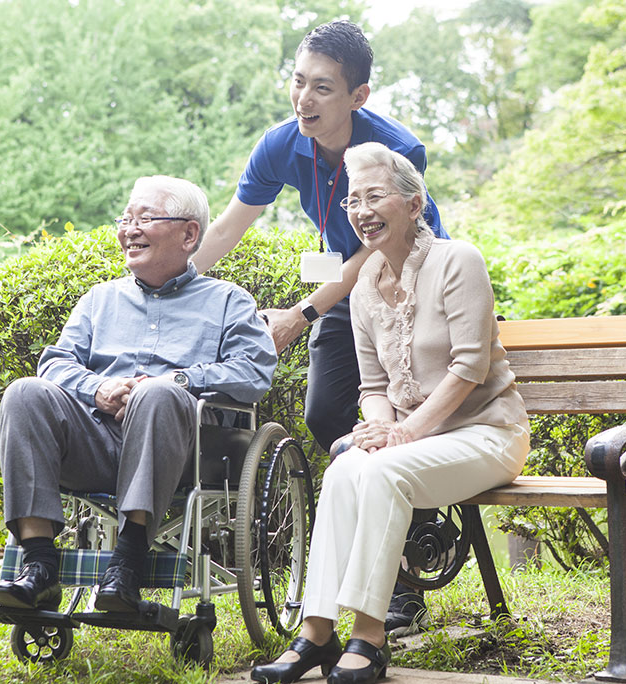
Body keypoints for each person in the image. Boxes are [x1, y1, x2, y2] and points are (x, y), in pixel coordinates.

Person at [191, 20, 449, 633]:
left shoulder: (395, 149)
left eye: (324, 89)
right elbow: (228, 228)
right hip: (349, 290)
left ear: (358, 96)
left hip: (413, 282)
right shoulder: (281, 145)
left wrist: (301, 314)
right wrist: (171, 286)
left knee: (406, 412)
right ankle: (414, 517)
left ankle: (404, 578)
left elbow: (375, 255)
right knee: (326, 416)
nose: (304, 99)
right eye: (298, 81)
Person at [250, 142, 529, 684]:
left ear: (413, 204)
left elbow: (469, 368)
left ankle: (370, 636)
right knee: (347, 465)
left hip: (486, 433)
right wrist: (380, 427)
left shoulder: (457, 260)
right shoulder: (363, 287)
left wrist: (403, 432)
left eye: (374, 196)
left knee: (379, 467)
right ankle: (316, 632)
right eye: (353, 201)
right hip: (414, 441)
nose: (361, 211)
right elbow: (373, 384)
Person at [0, 176, 277, 614]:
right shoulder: (99, 300)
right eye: (126, 218)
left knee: (157, 393)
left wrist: (179, 381)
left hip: (182, 451)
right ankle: (39, 566)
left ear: (189, 234)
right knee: (25, 393)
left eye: (145, 218)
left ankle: (127, 565)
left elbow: (254, 371)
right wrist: (98, 387)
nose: (130, 229)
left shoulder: (227, 301)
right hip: (96, 444)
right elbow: (55, 363)